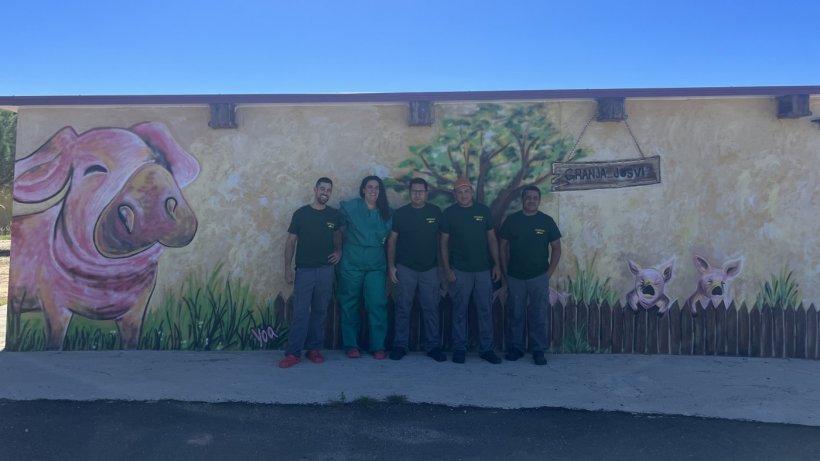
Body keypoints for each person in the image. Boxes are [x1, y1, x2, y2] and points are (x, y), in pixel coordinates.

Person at [279, 177, 342, 368]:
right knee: (300, 312)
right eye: (322, 188)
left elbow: (338, 234)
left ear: (331, 192)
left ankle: (314, 350)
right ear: (315, 190)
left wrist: (339, 251)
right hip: (305, 270)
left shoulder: (334, 215)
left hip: (325, 270)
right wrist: (288, 269)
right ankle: (293, 353)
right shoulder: (301, 214)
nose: (325, 192)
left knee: (320, 311)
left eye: (328, 190)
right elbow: (290, 242)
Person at [440, 177, 503, 364]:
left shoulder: (483, 211)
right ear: (454, 194)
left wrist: (497, 264)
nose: (463, 195)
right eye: (459, 192)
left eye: (466, 191)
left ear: (471, 192)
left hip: (483, 270)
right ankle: (459, 348)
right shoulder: (449, 213)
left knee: (485, 310)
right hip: (459, 271)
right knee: (459, 310)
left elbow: (492, 239)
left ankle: (487, 349)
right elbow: (443, 243)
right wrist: (447, 270)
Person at [499, 185, 562, 366]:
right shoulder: (512, 220)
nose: (531, 200)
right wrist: (505, 272)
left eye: (535, 198)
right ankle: (515, 348)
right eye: (528, 197)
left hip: (538, 277)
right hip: (515, 276)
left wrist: (548, 274)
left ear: (539, 201)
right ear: (523, 199)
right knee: (515, 313)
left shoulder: (547, 221)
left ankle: (538, 350)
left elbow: (557, 248)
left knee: (539, 314)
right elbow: (502, 246)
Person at [387, 178, 446, 362]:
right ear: (410, 192)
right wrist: (391, 266)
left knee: (431, 308)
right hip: (406, 268)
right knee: (403, 308)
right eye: (414, 191)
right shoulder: (401, 214)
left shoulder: (435, 212)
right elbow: (392, 241)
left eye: (421, 191)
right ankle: (400, 345)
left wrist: (443, 269)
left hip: (430, 268)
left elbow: (443, 241)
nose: (418, 194)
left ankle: (433, 346)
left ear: (427, 193)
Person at [338, 175, 392, 359]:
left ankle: (378, 346)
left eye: (377, 187)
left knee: (377, 304)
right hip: (352, 263)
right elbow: (337, 229)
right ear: (363, 189)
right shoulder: (350, 207)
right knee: (349, 303)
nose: (373, 190)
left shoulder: (387, 213)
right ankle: (351, 345)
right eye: (369, 187)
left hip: (376, 265)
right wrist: (338, 249)